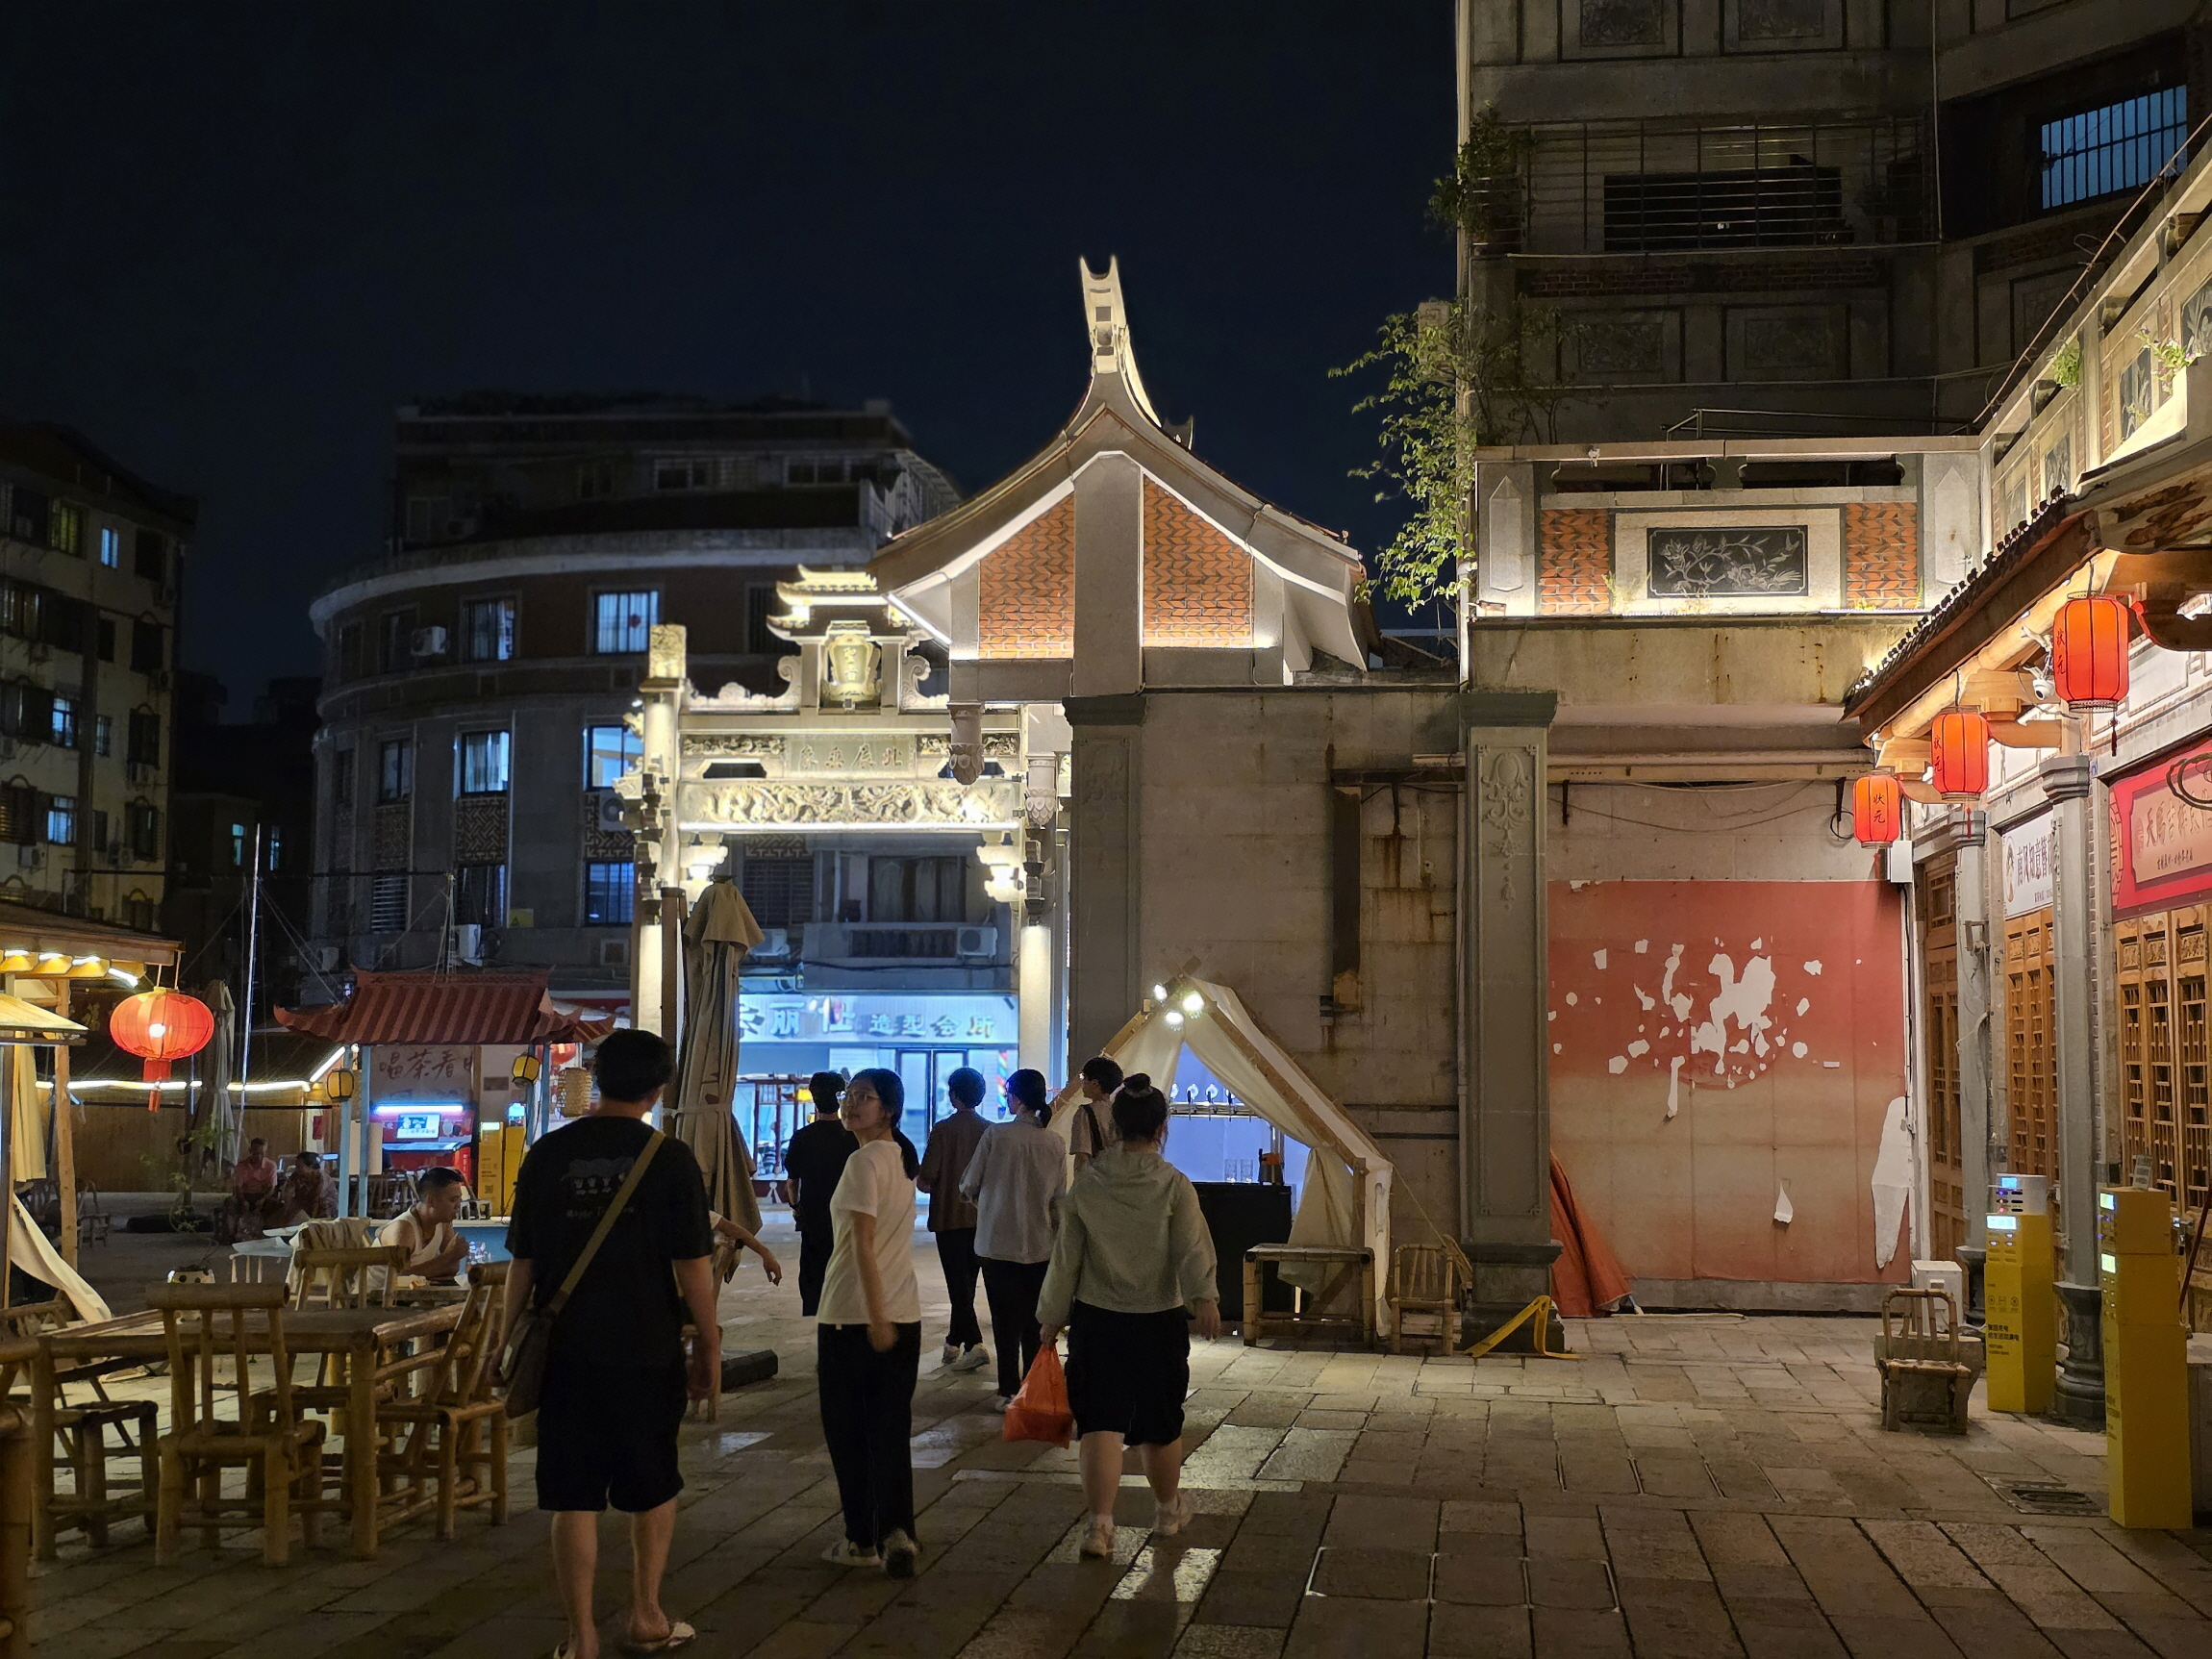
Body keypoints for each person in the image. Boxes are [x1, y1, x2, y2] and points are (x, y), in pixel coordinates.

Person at [504, 1029, 717, 1659]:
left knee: (572, 1496)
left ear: (596, 1077)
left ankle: (582, 1637)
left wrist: (502, 1341)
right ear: (659, 1088)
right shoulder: (670, 1159)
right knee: (653, 1483)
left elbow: (523, 1262)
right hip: (647, 1347)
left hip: (565, 1351)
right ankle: (647, 1615)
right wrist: (709, 1342)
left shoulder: (548, 1153)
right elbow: (693, 1265)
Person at [1037, 1072, 1219, 1561]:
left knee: (1100, 1423)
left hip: (1098, 1319)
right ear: (1162, 1128)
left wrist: (1051, 1315)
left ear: (1113, 1126)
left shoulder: (1089, 1184)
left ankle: (1100, 1527)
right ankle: (1167, 1510)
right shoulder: (1174, 1185)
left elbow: (1066, 1258)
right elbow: (1192, 1248)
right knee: (1161, 1423)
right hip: (1158, 1319)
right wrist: (1204, 1298)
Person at [815, 1068, 922, 1578]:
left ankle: (862, 1538)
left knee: (849, 1433)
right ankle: (898, 1530)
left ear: (889, 1109)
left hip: (853, 1316)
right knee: (890, 1429)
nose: (851, 1103)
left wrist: (876, 1319)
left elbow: (861, 1244)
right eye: (849, 1094)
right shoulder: (900, 1158)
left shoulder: (863, 1161)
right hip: (905, 1313)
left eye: (865, 1096)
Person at [962, 1068, 1066, 1408]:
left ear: (1017, 1099)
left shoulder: (996, 1134)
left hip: (996, 1243)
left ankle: (1008, 1391)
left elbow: (969, 1184)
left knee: (1004, 1322)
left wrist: (987, 1204)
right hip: (1040, 1244)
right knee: (1034, 1323)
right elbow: (1059, 1199)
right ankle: (1031, 1390)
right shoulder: (1054, 1142)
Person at [917, 1067, 991, 1373]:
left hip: (948, 1217)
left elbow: (926, 1176)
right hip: (981, 1217)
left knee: (958, 1285)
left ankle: (975, 1344)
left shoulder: (943, 1130)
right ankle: (953, 1340)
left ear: (954, 1095)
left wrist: (928, 1182)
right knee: (967, 1285)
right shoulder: (989, 1130)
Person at [783, 1072, 856, 1317]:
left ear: (814, 1098)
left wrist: (796, 1207)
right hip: (847, 1215)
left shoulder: (802, 1137)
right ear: (840, 1098)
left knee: (813, 1270)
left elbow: (792, 1183)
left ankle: (815, 1314)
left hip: (813, 1215)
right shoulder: (854, 1137)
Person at [375, 1166, 469, 1285]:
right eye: (452, 1200)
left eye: (459, 1200)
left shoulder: (443, 1223)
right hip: (372, 1294)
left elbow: (452, 1269)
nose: (458, 1205)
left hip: (411, 1294)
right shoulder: (403, 1228)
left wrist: (448, 1260)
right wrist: (448, 1257)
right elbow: (400, 1278)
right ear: (431, 1201)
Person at [214, 1138, 282, 1243]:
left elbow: (271, 1187)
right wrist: (243, 1201)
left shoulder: (271, 1165)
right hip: (245, 1195)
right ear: (250, 1151)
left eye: (261, 1153)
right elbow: (237, 1187)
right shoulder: (241, 1166)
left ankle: (268, 1234)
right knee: (230, 1202)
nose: (258, 1157)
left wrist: (263, 1199)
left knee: (275, 1205)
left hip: (262, 1196)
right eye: (255, 1153)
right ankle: (231, 1234)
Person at [1068, 1055, 1121, 1172]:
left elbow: (1082, 1156)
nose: (1082, 1082)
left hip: (1096, 1177)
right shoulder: (1120, 1110)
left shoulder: (1085, 1113)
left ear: (1095, 1083)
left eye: (1084, 1077)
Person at [268, 1152, 338, 1227]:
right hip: (300, 1211)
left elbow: (317, 1203)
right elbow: (287, 1195)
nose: (296, 1169)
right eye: (296, 1166)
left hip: (321, 1216)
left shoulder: (321, 1179)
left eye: (299, 1167)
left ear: (310, 1167)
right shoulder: (296, 1176)